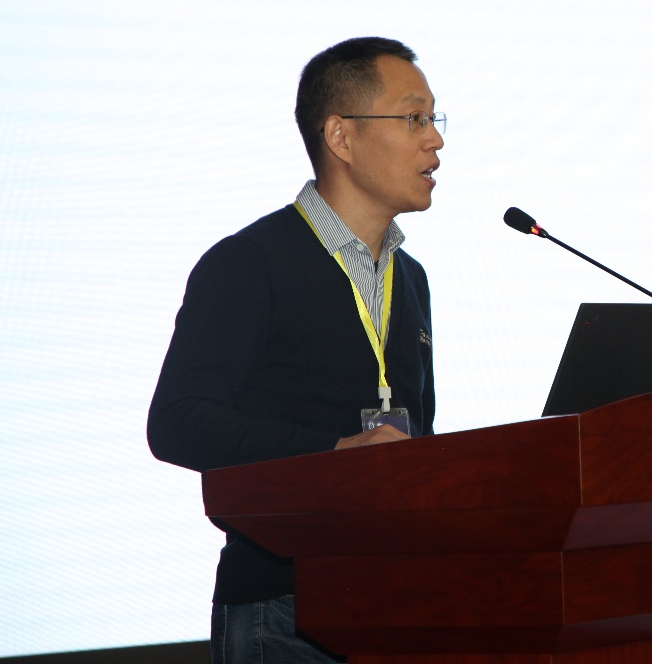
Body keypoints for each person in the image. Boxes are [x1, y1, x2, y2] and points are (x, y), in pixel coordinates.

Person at [148, 36, 444, 664]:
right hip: (284, 608)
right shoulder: (249, 263)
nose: (435, 140)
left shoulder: (410, 278)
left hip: (399, 598)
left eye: (433, 118)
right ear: (341, 136)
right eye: (414, 117)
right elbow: (177, 423)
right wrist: (335, 454)